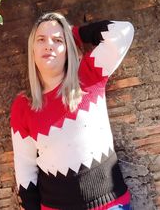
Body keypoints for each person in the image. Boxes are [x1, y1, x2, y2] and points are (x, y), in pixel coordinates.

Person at [10, 12, 134, 210]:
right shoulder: (23, 106)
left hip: (111, 205)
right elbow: (25, 171)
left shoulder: (89, 75)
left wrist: (75, 33)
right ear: (32, 49)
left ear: (68, 48)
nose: (49, 45)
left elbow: (123, 31)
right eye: (41, 39)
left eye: (58, 40)